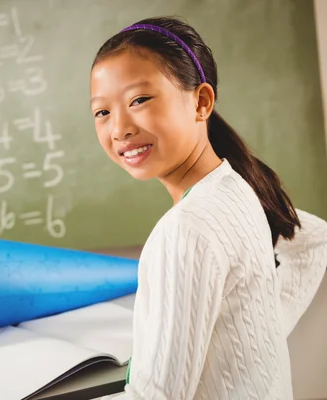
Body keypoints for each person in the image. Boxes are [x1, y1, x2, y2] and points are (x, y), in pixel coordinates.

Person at [90, 16, 327, 399]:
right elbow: (315, 239)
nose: (119, 129)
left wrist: (262, 331)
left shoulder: (186, 230)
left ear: (201, 102)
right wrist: (258, 338)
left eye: (139, 100)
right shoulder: (235, 186)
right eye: (102, 112)